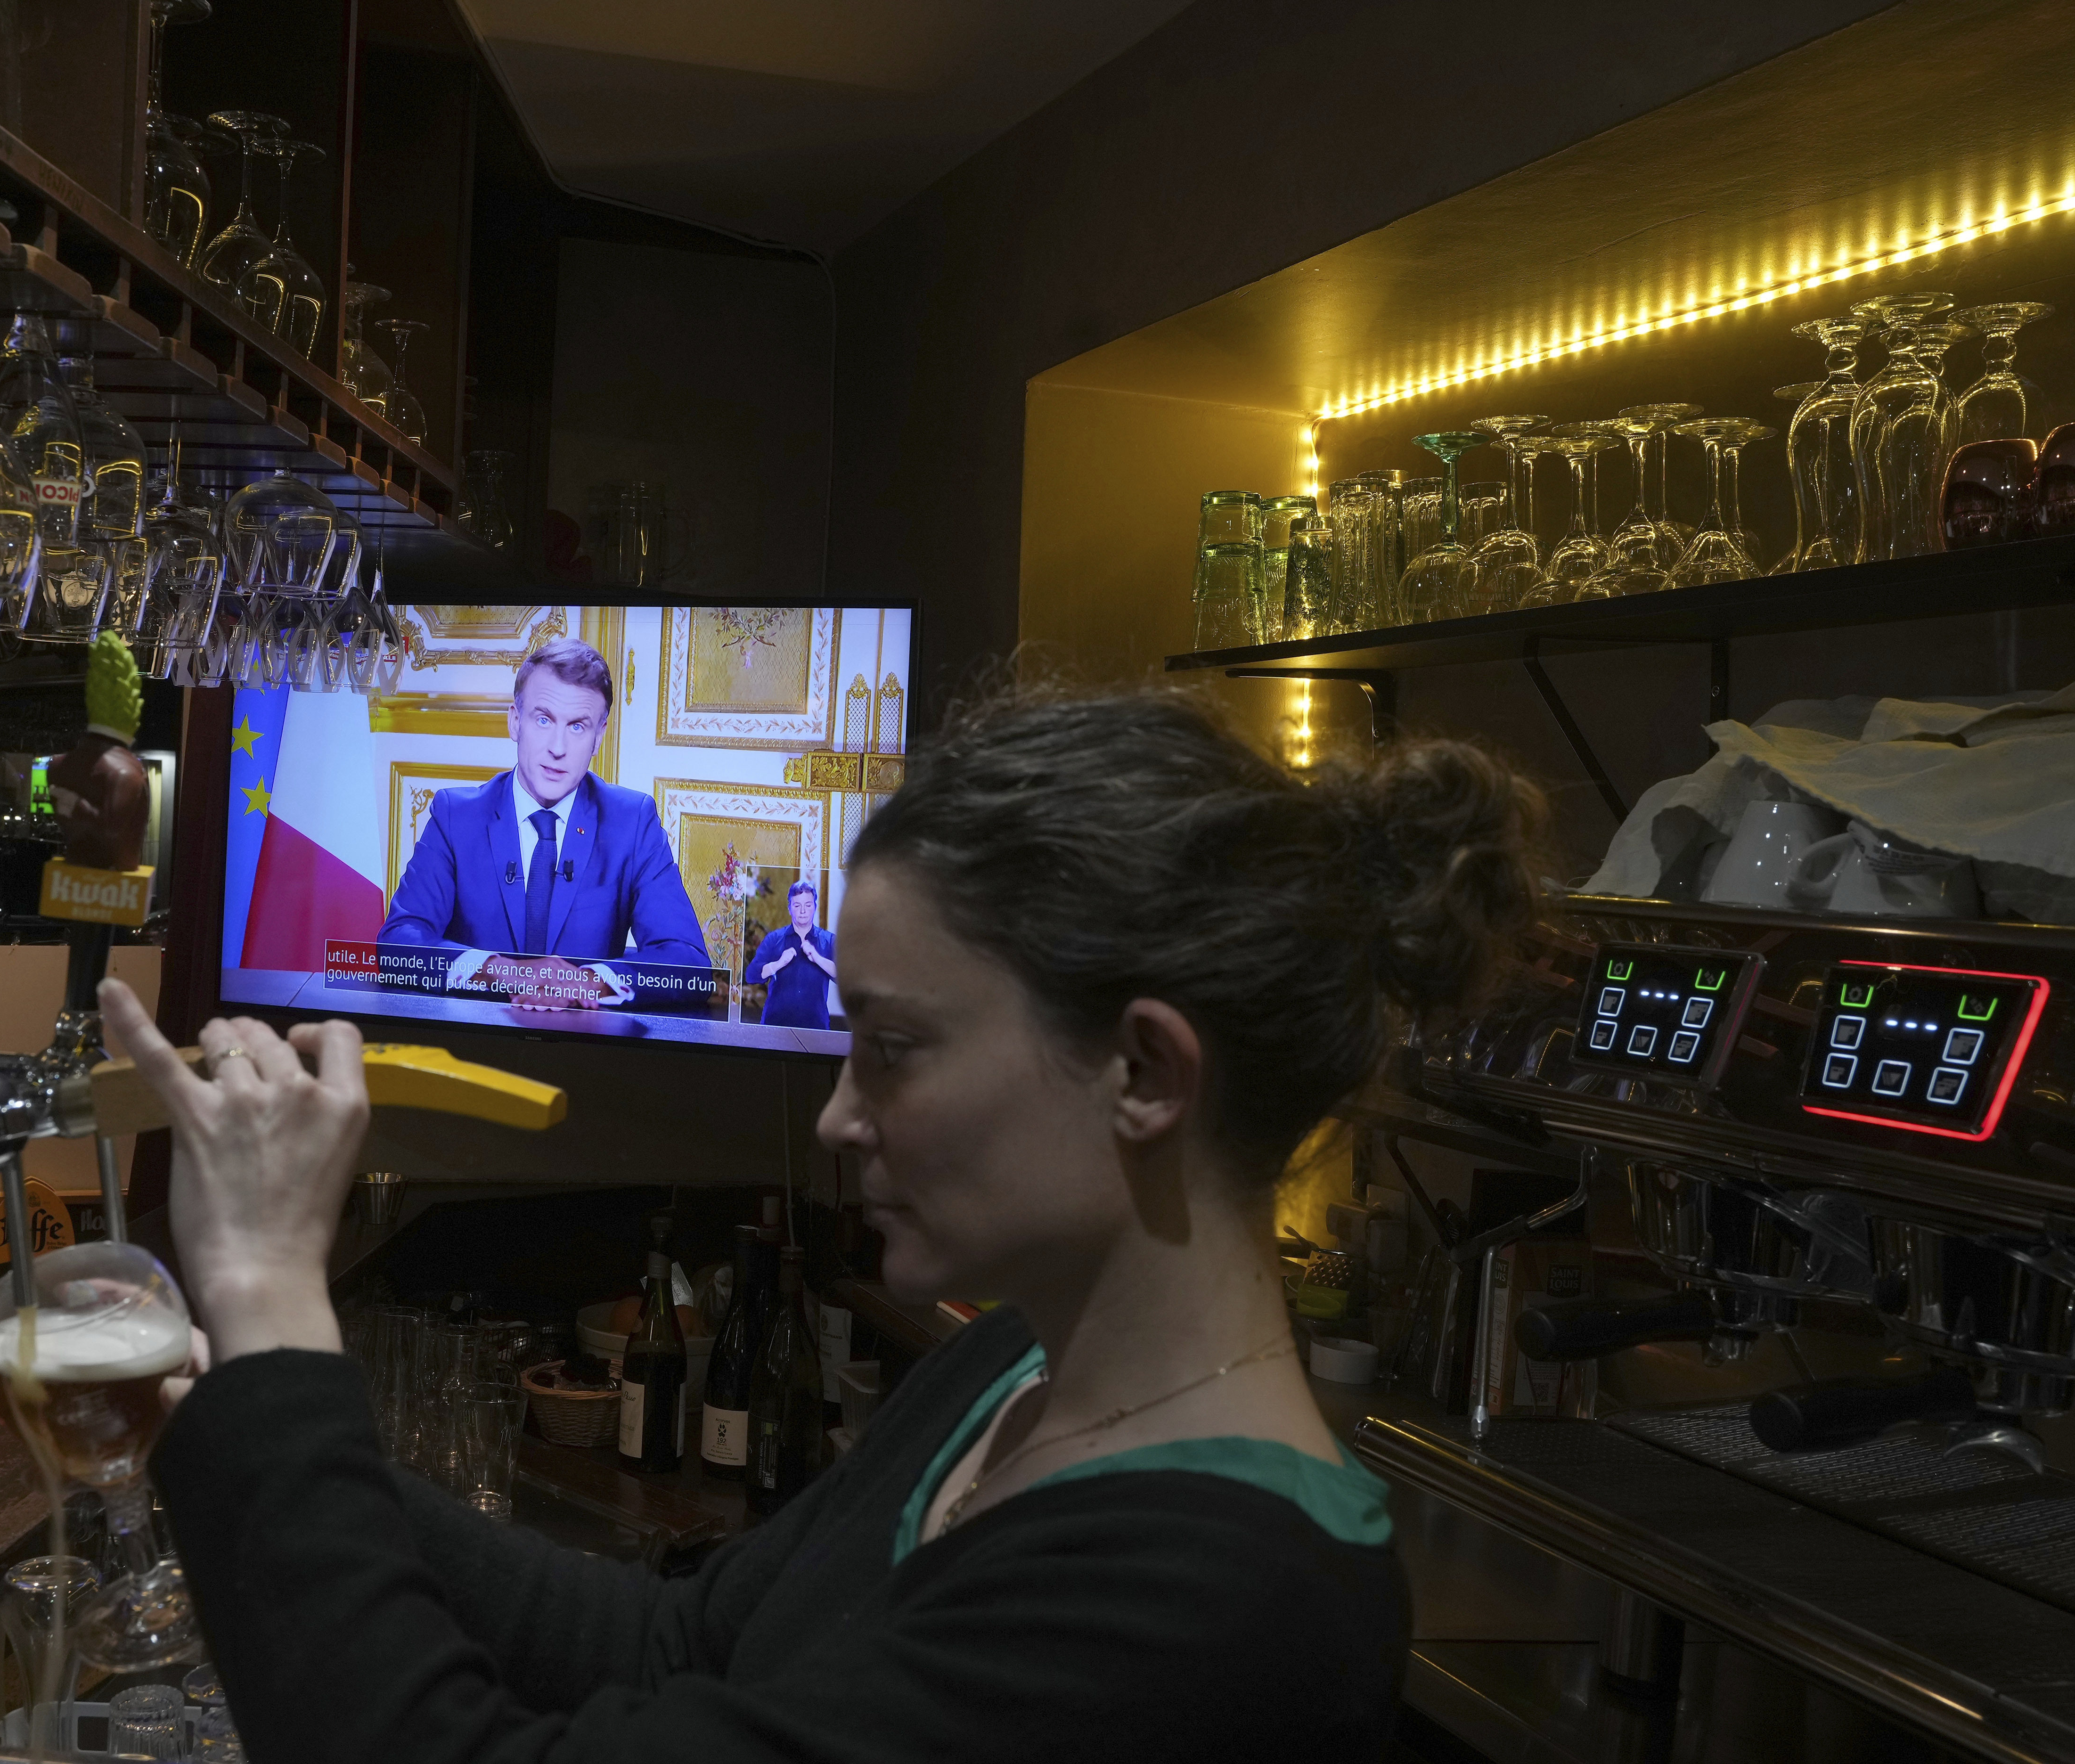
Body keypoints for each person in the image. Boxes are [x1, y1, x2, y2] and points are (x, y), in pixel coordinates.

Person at [100, 684, 1544, 1764]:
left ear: (1147, 1073)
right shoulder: (1009, 1374)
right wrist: (220, 1422)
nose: (845, 1119)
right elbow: (673, 1645)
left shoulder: (1219, 1597)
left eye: (896, 1048)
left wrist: (270, 1287)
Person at [379, 637, 708, 1007]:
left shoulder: (631, 822)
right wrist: (503, 971)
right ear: (515, 722)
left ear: (599, 736)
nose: (558, 747)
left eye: (578, 727)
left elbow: (689, 963)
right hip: (472, 1045)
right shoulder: (457, 815)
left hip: (582, 1052)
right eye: (544, 719)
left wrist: (585, 982)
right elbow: (399, 943)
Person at [746, 878, 836, 1029]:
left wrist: (818, 958)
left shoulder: (829, 941)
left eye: (808, 905)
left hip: (816, 1026)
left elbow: (843, 977)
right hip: (775, 1026)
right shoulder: (774, 939)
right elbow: (752, 975)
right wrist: (779, 964)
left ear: (815, 907)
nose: (803, 911)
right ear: (790, 908)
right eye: (797, 905)